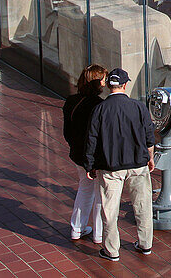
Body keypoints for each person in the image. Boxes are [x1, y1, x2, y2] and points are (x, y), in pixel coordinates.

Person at [83, 68, 155, 262]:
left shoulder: (99, 109)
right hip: (138, 164)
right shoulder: (138, 107)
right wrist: (150, 158)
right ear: (125, 84)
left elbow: (92, 139)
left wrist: (90, 165)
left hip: (110, 166)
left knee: (110, 210)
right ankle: (145, 244)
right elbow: (149, 138)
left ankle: (111, 250)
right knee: (143, 206)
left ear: (108, 86)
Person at [62, 64, 107, 243]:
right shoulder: (99, 106)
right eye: (102, 80)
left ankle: (77, 228)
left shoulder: (71, 101)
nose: (104, 84)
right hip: (94, 157)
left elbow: (67, 132)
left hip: (77, 154)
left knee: (84, 189)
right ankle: (98, 233)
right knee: (100, 193)